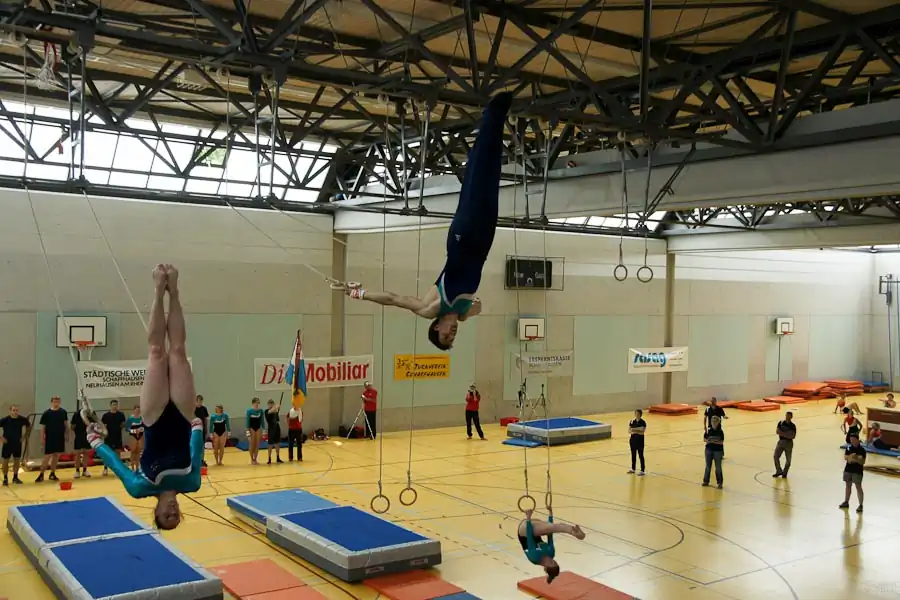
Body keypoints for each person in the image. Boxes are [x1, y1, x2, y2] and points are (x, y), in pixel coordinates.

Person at [339, 92, 513, 350]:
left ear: (436, 327)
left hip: (462, 239)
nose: (452, 333)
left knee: (476, 182)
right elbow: (478, 307)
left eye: (446, 336)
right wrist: (473, 310)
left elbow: (394, 299)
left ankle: (492, 114)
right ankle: (498, 118)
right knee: (491, 181)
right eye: (453, 337)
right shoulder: (463, 314)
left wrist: (359, 293)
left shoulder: (430, 308)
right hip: (483, 242)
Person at [85, 264, 204, 531]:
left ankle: (158, 290)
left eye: (166, 516)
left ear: (156, 512)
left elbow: (117, 465)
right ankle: (174, 291)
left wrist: (95, 442)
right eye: (176, 516)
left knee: (156, 353)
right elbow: (195, 453)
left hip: (154, 417)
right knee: (178, 351)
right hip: (183, 416)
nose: (172, 511)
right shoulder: (192, 483)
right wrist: (197, 429)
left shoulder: (140, 488)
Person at [518, 508, 585, 584]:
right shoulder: (551, 553)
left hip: (524, 531)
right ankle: (573, 531)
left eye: (551, 563)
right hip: (535, 530)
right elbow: (550, 535)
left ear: (546, 567)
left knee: (548, 527)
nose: (551, 559)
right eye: (554, 561)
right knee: (549, 527)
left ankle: (571, 531)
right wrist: (550, 513)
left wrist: (528, 518)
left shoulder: (535, 557)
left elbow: (529, 537)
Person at [35, 396, 68, 483]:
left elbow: (65, 424)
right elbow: (43, 427)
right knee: (47, 456)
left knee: (56, 456)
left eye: (58, 401)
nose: (56, 403)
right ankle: (41, 474)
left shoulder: (63, 412)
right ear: (52, 402)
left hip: (59, 437)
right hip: (50, 437)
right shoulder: (47, 413)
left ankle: (52, 473)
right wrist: (42, 438)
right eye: (54, 401)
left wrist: (66, 434)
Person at [0, 404, 29, 486]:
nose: (15, 412)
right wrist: (1, 438)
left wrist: (24, 436)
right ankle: (5, 478)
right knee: (5, 461)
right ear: (10, 411)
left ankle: (15, 477)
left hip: (17, 443)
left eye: (17, 410)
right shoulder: (5, 420)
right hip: (7, 444)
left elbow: (28, 426)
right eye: (13, 410)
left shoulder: (21, 419)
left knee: (17, 460)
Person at [840, 433, 866, 513]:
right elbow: (846, 457)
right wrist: (851, 457)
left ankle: (860, 505)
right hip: (848, 469)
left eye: (853, 440)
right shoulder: (849, 448)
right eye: (851, 440)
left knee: (858, 487)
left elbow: (862, 461)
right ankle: (846, 501)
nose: (852, 441)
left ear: (857, 440)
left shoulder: (862, 450)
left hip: (857, 471)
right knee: (848, 485)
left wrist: (855, 459)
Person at [100, 399, 127, 477]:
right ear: (110, 406)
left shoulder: (121, 415)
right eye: (113, 405)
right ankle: (105, 468)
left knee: (118, 452)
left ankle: (118, 469)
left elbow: (123, 425)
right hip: (108, 437)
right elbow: (103, 426)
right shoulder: (106, 415)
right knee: (107, 453)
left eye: (116, 405)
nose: (114, 406)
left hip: (117, 436)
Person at [702, 415, 725, 489]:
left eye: (715, 421)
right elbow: (704, 439)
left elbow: (721, 442)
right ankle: (706, 481)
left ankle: (720, 483)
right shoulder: (708, 430)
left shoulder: (720, 432)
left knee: (718, 467)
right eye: (712, 421)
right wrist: (708, 441)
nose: (714, 423)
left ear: (718, 422)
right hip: (708, 450)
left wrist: (712, 441)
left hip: (718, 451)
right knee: (708, 466)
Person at [773, 411, 796, 478]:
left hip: (789, 443)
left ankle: (785, 473)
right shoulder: (781, 423)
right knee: (775, 456)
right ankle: (778, 470)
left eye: (788, 416)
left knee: (788, 461)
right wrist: (787, 434)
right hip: (781, 442)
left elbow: (793, 436)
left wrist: (782, 433)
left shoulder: (793, 426)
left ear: (791, 417)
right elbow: (777, 431)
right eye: (786, 415)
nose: (787, 417)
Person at [71, 407, 92, 478]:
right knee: (78, 453)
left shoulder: (90, 414)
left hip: (88, 435)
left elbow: (94, 424)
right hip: (79, 435)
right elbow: (72, 426)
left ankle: (85, 470)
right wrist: (77, 431)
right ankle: (77, 471)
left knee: (86, 453)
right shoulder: (76, 414)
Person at [627, 409, 646, 476]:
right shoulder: (632, 421)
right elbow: (629, 431)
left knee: (641, 455)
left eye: (638, 414)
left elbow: (642, 431)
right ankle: (633, 468)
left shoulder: (643, 422)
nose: (637, 415)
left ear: (640, 415)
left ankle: (642, 470)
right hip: (632, 440)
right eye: (636, 414)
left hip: (640, 441)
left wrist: (634, 430)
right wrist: (638, 430)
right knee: (633, 455)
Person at [246, 398, 264, 465]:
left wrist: (264, 429)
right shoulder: (249, 411)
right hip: (251, 428)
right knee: (252, 444)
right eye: (256, 402)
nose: (257, 404)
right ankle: (252, 459)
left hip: (258, 428)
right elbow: (247, 421)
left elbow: (262, 420)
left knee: (257, 444)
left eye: (258, 403)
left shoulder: (260, 411)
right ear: (253, 403)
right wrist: (247, 431)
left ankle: (255, 459)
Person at [125, 405, 144, 472]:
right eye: (136, 410)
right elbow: (127, 428)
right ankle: (132, 467)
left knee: (138, 451)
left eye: (139, 410)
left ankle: (138, 467)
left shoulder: (142, 418)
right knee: (133, 451)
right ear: (134, 410)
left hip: (140, 435)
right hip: (133, 435)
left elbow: (144, 426)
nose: (138, 411)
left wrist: (141, 429)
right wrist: (133, 431)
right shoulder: (130, 418)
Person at [265, 398, 283, 465]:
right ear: (268, 404)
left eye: (272, 403)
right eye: (269, 403)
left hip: (277, 428)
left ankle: (278, 457)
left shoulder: (275, 411)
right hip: (271, 429)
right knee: (270, 444)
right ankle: (269, 458)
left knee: (277, 443)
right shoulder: (266, 411)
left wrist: (276, 409)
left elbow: (277, 419)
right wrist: (276, 407)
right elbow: (270, 411)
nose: (271, 405)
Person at [195, 395, 209, 467]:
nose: (200, 402)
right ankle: (194, 461)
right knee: (194, 445)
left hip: (202, 429)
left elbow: (205, 419)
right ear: (196, 401)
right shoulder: (193, 409)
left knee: (202, 445)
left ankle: (202, 460)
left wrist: (206, 428)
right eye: (199, 400)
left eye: (201, 401)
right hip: (195, 430)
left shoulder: (204, 409)